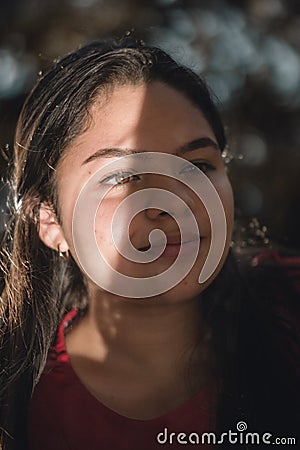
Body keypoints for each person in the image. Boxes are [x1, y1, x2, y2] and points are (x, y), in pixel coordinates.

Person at [0, 37, 299, 450]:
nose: (173, 200)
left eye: (197, 165)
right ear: (49, 220)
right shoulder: (16, 404)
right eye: (123, 176)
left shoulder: (290, 309)